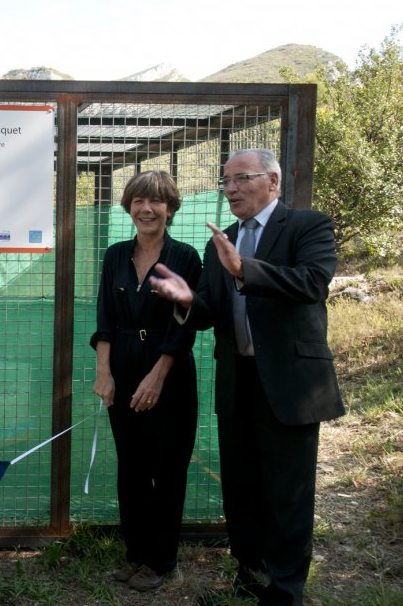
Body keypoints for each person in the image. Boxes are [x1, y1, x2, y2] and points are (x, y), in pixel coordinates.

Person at [149, 148, 344, 606]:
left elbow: (313, 282)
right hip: (238, 381)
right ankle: (249, 577)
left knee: (287, 493)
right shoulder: (223, 239)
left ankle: (284, 591)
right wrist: (185, 300)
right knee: (241, 489)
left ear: (272, 182)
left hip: (291, 384)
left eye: (241, 178)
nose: (230, 188)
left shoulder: (306, 226)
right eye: (225, 181)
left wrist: (244, 270)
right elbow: (211, 311)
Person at [90, 171, 202, 592]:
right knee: (132, 467)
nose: (146, 209)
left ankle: (160, 559)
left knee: (167, 467)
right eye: (138, 201)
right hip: (121, 366)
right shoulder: (115, 255)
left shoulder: (185, 257)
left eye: (156, 201)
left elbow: (184, 325)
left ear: (170, 208)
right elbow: (104, 318)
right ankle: (135, 553)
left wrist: (157, 376)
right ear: (128, 207)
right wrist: (105, 373)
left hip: (167, 373)